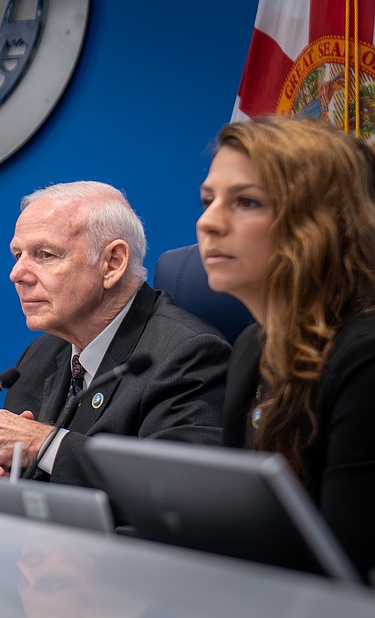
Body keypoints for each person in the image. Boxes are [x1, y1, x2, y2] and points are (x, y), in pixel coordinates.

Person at [0, 181, 229, 500]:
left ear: (112, 263)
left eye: (45, 254)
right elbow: (2, 472)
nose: (17, 273)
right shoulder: (44, 352)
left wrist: (43, 444)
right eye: (17, 254)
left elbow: (183, 491)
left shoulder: (186, 353)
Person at [197, 116, 375, 581]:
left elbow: (345, 572)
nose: (208, 222)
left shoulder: (365, 357)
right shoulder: (252, 346)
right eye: (208, 200)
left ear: (321, 222)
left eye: (247, 202)